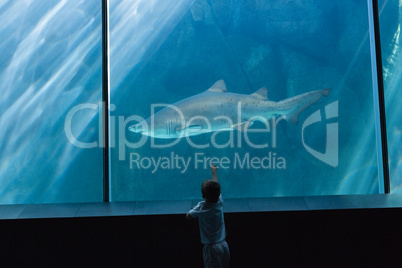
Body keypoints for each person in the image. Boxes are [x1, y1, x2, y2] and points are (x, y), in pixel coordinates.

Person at [186, 161, 230, 268]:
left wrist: (195, 209)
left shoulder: (201, 206)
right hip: (224, 245)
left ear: (202, 195)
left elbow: (188, 216)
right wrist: (214, 173)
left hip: (211, 248)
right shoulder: (219, 202)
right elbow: (216, 186)